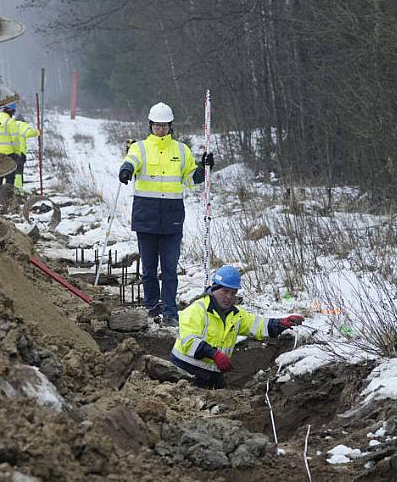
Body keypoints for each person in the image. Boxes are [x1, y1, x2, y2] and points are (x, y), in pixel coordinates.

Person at [118, 102, 213, 326]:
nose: (160, 129)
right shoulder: (139, 147)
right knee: (149, 269)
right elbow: (132, 161)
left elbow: (190, 179)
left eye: (165, 126)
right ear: (150, 125)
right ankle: (152, 306)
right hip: (146, 216)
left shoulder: (181, 150)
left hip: (172, 217)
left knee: (170, 269)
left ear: (171, 126)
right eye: (157, 126)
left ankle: (170, 312)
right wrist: (126, 170)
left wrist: (203, 169)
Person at [170, 265, 305, 389]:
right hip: (184, 371)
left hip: (213, 373)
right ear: (214, 289)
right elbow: (189, 342)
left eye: (233, 293)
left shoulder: (236, 314)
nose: (229, 297)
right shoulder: (197, 310)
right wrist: (214, 354)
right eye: (225, 291)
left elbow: (258, 325)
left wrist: (281, 323)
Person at [0, 103, 19, 186]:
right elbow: (15, 139)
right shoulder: (10, 122)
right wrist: (17, 152)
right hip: (9, 154)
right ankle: (7, 197)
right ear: (11, 111)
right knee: (10, 178)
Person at [11, 111, 40, 190]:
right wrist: (37, 132)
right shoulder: (24, 125)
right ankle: (18, 188)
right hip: (20, 152)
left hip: (10, 151)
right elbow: (28, 133)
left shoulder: (10, 125)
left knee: (9, 171)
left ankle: (7, 187)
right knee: (18, 171)